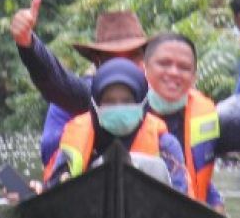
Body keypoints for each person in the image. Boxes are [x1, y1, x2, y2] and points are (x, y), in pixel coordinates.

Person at [12, 0, 240, 211]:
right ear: (146, 69)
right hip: (93, 210)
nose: (174, 74)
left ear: (193, 75)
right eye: (164, 65)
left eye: (184, 67)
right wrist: (29, 45)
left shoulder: (207, 122)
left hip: (177, 216)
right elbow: (57, 84)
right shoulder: (107, 101)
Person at [12, 0, 148, 166]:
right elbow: (55, 81)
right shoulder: (83, 95)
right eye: (112, 59)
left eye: (131, 57)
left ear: (145, 62)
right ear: (97, 64)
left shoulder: (161, 97)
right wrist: (28, 44)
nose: (121, 67)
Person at [43, 59, 188, 194]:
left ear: (142, 103)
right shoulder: (76, 139)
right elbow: (54, 189)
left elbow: (181, 199)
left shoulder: (166, 145)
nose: (119, 107)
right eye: (109, 101)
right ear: (96, 106)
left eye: (127, 101)